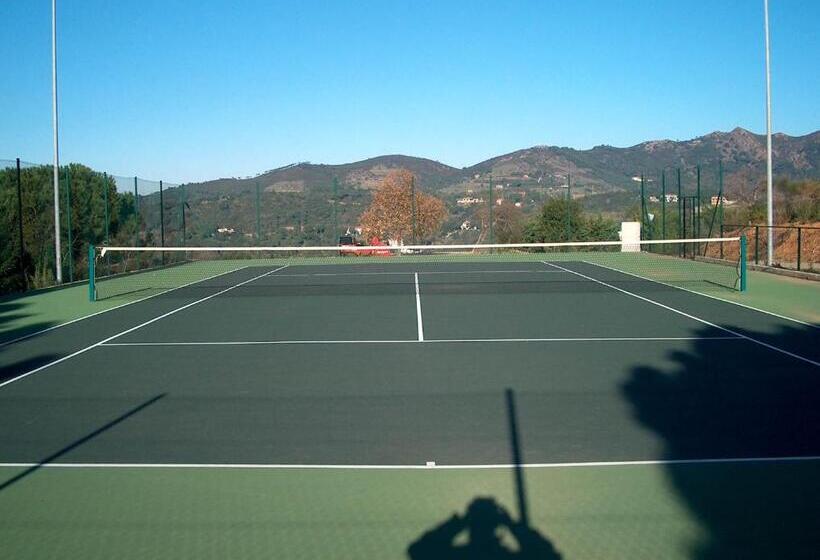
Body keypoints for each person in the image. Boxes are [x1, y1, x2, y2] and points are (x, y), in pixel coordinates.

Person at [407, 497, 561, 560]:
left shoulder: (457, 557)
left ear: (471, 525)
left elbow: (419, 550)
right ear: (496, 525)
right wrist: (513, 525)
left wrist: (457, 523)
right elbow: (549, 556)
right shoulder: (504, 557)